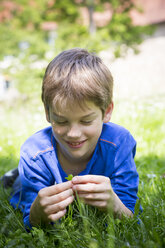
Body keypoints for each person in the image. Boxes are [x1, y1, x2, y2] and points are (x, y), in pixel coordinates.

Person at [5, 48, 139, 229]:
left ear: (106, 112)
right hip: (33, 173)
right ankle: (16, 176)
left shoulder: (119, 144)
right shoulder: (36, 153)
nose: (73, 133)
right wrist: (37, 214)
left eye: (86, 121)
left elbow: (129, 216)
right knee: (19, 185)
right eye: (61, 121)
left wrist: (115, 205)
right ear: (48, 113)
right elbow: (30, 221)